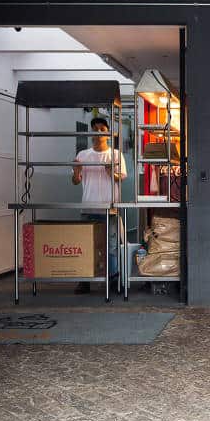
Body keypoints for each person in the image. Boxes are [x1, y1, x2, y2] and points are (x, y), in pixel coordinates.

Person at [71, 117, 127, 294]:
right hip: (88, 207)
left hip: (109, 208)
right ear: (90, 133)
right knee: (86, 246)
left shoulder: (116, 155)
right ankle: (84, 281)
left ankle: (112, 280)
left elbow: (121, 177)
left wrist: (111, 172)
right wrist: (77, 171)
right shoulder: (82, 155)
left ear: (108, 133)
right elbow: (75, 181)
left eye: (102, 129)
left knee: (110, 246)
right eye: (95, 129)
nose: (98, 132)